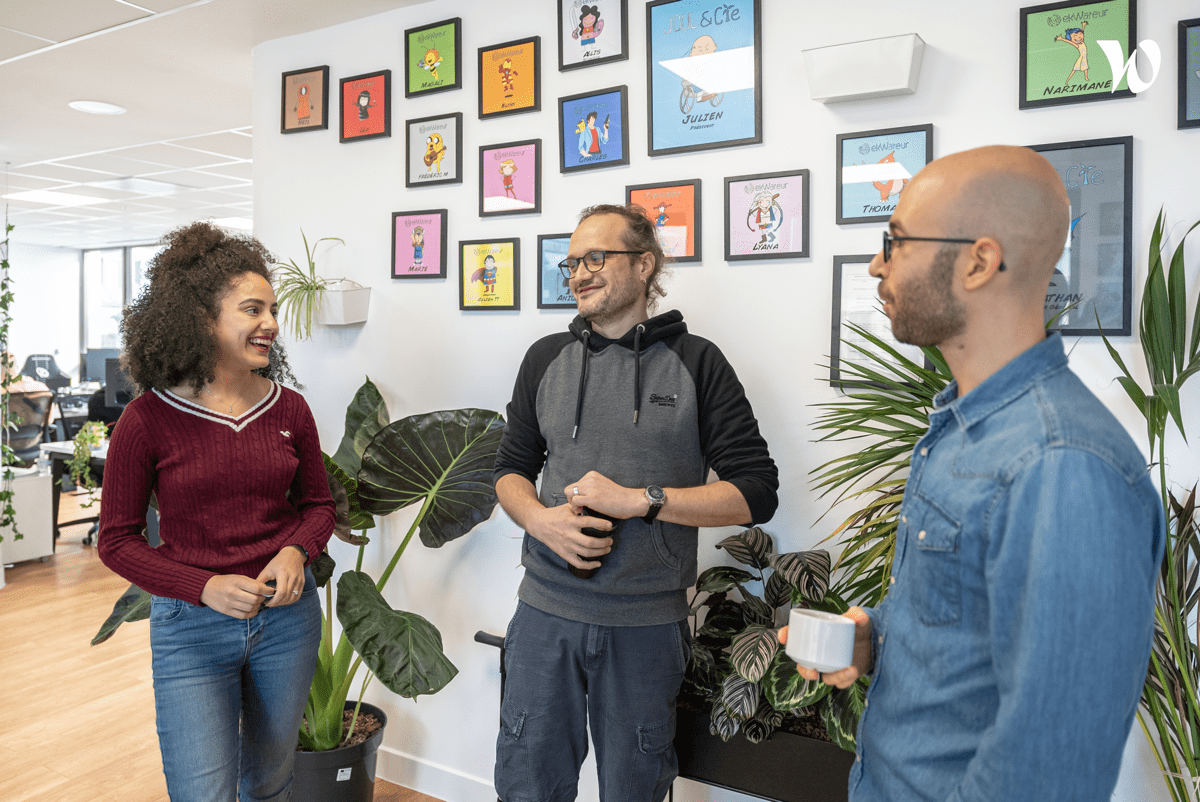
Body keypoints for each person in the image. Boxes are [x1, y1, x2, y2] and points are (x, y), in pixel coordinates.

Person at [781, 145, 1164, 801]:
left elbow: (1047, 775)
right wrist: (875, 641)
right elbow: (966, 629)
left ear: (979, 262)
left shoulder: (1062, 465)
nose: (876, 264)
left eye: (896, 241)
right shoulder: (964, 426)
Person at [492, 203, 779, 802]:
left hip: (646, 626)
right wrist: (540, 520)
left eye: (596, 258)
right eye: (572, 262)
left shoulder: (699, 363)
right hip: (544, 615)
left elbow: (755, 491)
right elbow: (509, 470)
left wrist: (639, 501)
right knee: (527, 785)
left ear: (644, 264)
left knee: (635, 789)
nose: (579, 273)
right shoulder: (545, 358)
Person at [98, 221, 336, 802]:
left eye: (272, 310)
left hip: (287, 622)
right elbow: (117, 541)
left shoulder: (291, 410)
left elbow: (319, 506)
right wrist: (203, 587)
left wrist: (296, 550)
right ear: (202, 319)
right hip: (191, 628)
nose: (271, 323)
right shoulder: (146, 419)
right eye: (252, 310)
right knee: (201, 792)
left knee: (270, 783)